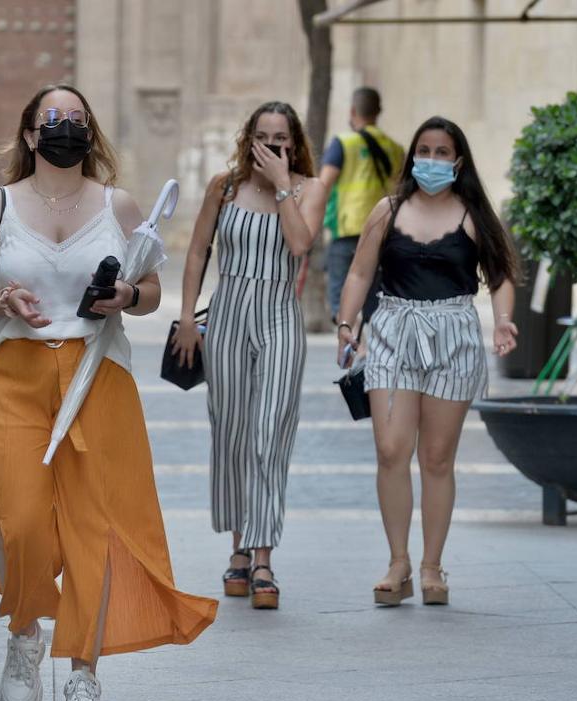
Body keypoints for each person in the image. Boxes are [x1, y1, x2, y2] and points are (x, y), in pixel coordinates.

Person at [0, 84, 218, 701]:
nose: (66, 127)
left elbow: (151, 288)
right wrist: (2, 301)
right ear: (29, 134)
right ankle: (25, 632)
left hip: (99, 372)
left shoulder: (117, 203)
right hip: (17, 372)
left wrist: (127, 293)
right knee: (18, 519)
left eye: (77, 118)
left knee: (94, 529)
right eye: (54, 118)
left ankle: (84, 677)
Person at [337, 116, 519, 607]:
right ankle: (398, 563)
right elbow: (359, 272)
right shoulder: (387, 210)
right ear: (411, 156)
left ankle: (432, 566)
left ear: (458, 162)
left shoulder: (475, 215)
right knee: (391, 450)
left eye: (442, 152)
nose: (432, 161)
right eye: (425, 150)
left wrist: (502, 320)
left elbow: (501, 275)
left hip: (454, 335)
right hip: (393, 331)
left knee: (437, 458)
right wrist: (347, 324)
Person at [171, 102, 328, 609]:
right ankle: (238, 550)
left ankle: (263, 557)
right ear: (248, 140)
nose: (270, 147)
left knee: (269, 433)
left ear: (293, 143)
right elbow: (197, 251)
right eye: (261, 137)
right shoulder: (225, 186)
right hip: (228, 314)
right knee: (233, 432)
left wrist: (283, 184)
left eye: (280, 139)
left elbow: (300, 244)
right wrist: (188, 319)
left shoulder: (309, 188)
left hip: (280, 315)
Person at [318, 87, 405, 325]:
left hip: (347, 231)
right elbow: (403, 191)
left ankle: (356, 349)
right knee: (374, 302)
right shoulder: (395, 148)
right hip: (384, 233)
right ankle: (368, 351)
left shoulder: (343, 143)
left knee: (340, 299)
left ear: (352, 111)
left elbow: (323, 185)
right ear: (379, 111)